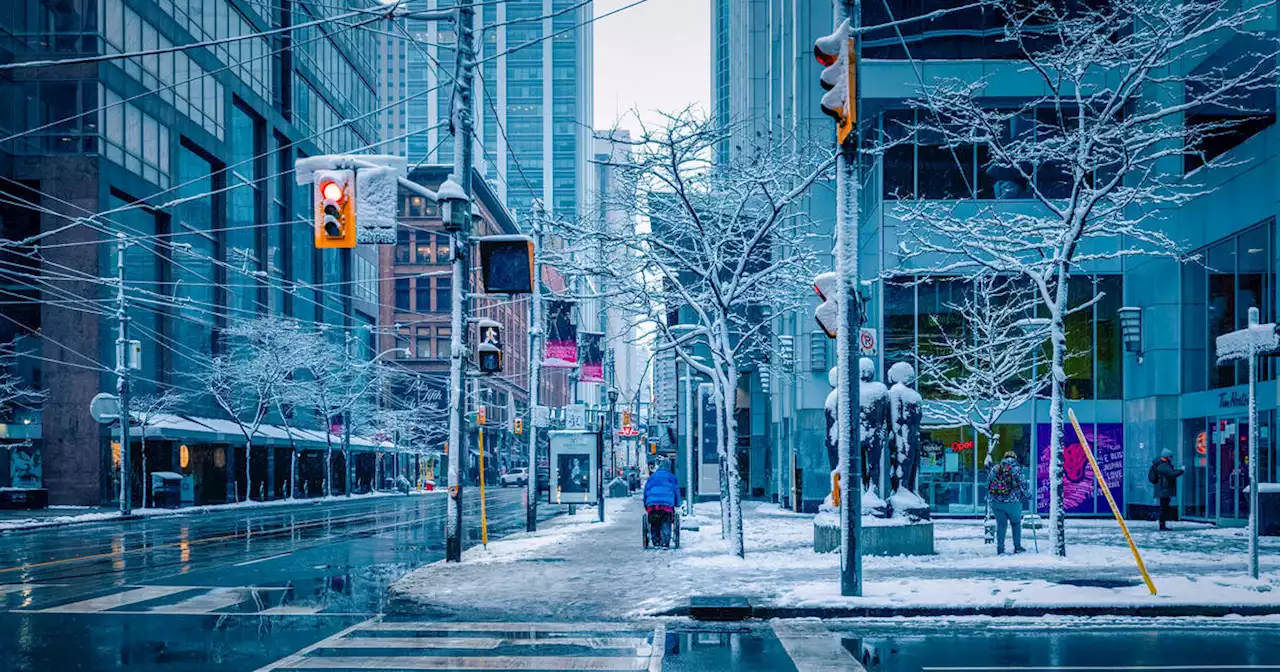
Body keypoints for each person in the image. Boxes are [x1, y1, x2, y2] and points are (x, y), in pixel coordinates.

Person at [987, 451, 1030, 555]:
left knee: (1001, 525)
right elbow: (1023, 484)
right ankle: (1017, 546)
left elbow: (988, 483)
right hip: (1013, 502)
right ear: (1014, 458)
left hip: (996, 502)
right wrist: (1029, 495)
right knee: (1015, 523)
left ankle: (1000, 549)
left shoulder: (996, 468)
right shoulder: (1017, 469)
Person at [643, 458, 681, 548]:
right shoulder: (671, 477)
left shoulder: (652, 477)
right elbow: (676, 491)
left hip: (652, 505)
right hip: (667, 505)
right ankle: (665, 542)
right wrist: (677, 503)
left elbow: (646, 491)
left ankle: (656, 541)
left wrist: (646, 504)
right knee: (666, 521)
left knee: (654, 522)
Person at [1150, 448, 1184, 531]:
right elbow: (1171, 474)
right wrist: (1181, 471)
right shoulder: (1163, 465)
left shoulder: (1159, 463)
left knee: (1164, 507)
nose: (1171, 458)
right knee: (1164, 508)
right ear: (1167, 456)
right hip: (1164, 489)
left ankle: (1162, 524)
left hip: (1162, 489)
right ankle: (1162, 525)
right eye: (1171, 456)